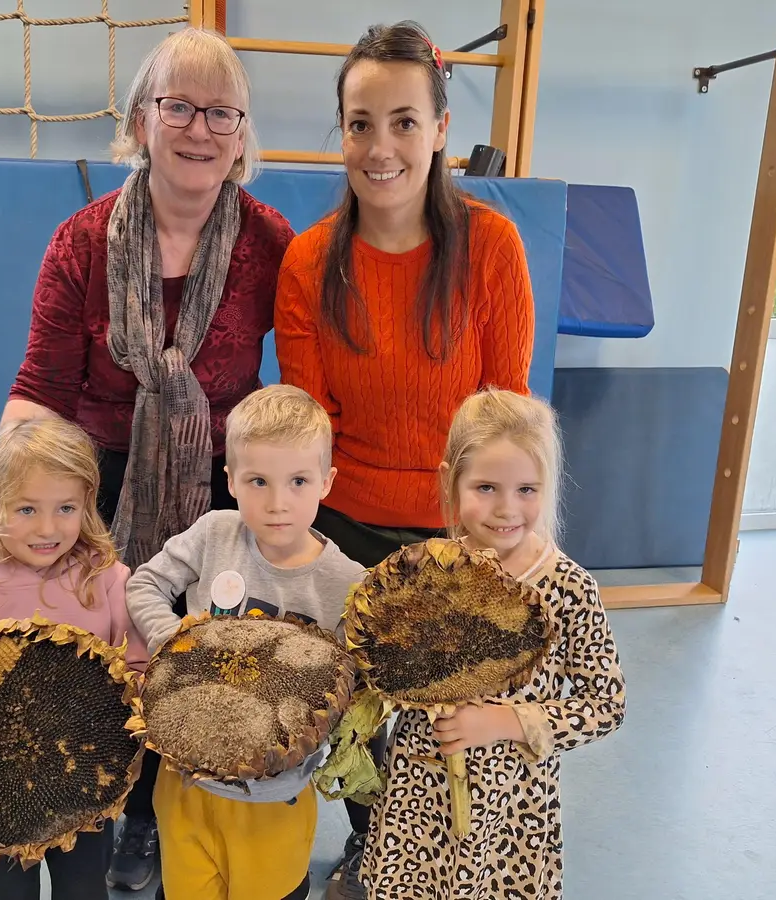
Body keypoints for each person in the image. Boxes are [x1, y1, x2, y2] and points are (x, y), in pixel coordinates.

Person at [0, 27, 296, 888]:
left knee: (196, 656)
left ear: (241, 137)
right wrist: (5, 506)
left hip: (218, 485)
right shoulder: (82, 242)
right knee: (110, 657)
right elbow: (40, 389)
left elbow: (301, 383)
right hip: (98, 486)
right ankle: (121, 815)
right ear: (140, 118)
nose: (199, 129)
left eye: (222, 113)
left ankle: (172, 816)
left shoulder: (270, 242)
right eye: (179, 107)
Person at [271, 21, 537, 896]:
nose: (379, 147)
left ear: (440, 128)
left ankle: (437, 853)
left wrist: (494, 547)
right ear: (341, 130)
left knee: (447, 727)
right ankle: (370, 841)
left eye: (402, 122)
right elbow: (309, 433)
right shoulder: (309, 264)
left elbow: (504, 419)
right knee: (355, 719)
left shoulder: (492, 249)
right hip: (346, 530)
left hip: (454, 536)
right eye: (359, 123)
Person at [361, 387, 626, 899]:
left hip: (512, 808)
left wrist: (504, 721)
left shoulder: (569, 588)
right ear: (450, 481)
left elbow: (606, 705)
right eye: (486, 487)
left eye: (527, 489)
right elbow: (391, 669)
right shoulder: (425, 572)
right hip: (421, 792)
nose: (507, 508)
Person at [125, 384, 367, 900]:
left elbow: (359, 684)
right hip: (184, 779)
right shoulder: (215, 533)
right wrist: (171, 640)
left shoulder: (347, 582)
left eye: (298, 481)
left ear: (327, 483)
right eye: (258, 480)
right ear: (231, 480)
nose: (277, 503)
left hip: (274, 797)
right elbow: (145, 583)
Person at [0, 417, 150, 900]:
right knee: (5, 892)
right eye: (25, 509)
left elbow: (137, 671)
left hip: (87, 778)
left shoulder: (107, 579)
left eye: (65, 508)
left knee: (83, 887)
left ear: (87, 505)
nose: (46, 527)